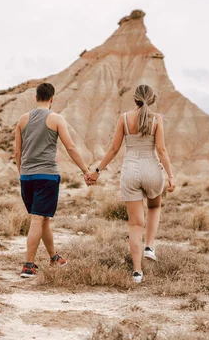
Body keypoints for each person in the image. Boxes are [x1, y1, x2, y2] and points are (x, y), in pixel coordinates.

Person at [87, 84, 176, 283]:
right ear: (151, 100)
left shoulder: (124, 119)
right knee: (154, 207)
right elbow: (161, 151)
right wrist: (171, 176)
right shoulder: (157, 120)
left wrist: (97, 171)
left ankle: (137, 272)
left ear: (134, 99)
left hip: (130, 172)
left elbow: (113, 149)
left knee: (135, 225)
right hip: (152, 169)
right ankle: (150, 246)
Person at [14, 82, 92, 278]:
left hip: (27, 177)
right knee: (38, 219)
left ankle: (53, 257)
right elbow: (71, 147)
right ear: (52, 99)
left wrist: (21, 173)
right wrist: (85, 170)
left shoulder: (22, 120)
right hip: (46, 176)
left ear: (35, 97)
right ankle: (28, 265)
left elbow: (17, 151)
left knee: (44, 219)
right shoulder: (56, 119)